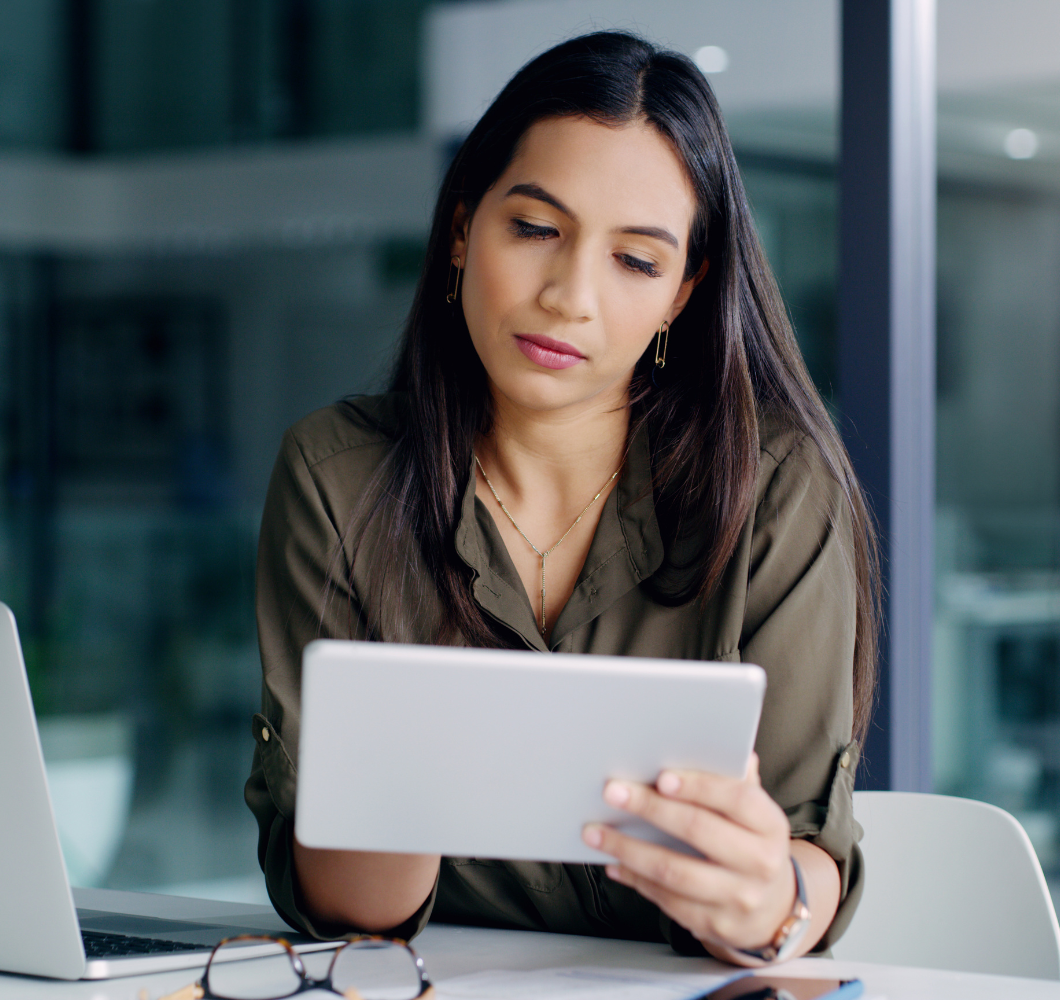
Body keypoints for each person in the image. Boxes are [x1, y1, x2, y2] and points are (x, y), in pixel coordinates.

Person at [245, 31, 879, 966]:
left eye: (637, 261)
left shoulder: (777, 491)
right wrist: (406, 768)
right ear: (463, 229)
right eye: (536, 229)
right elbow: (349, 910)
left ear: (682, 296)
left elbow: (804, 854)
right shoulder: (337, 476)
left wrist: (768, 901)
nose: (569, 295)